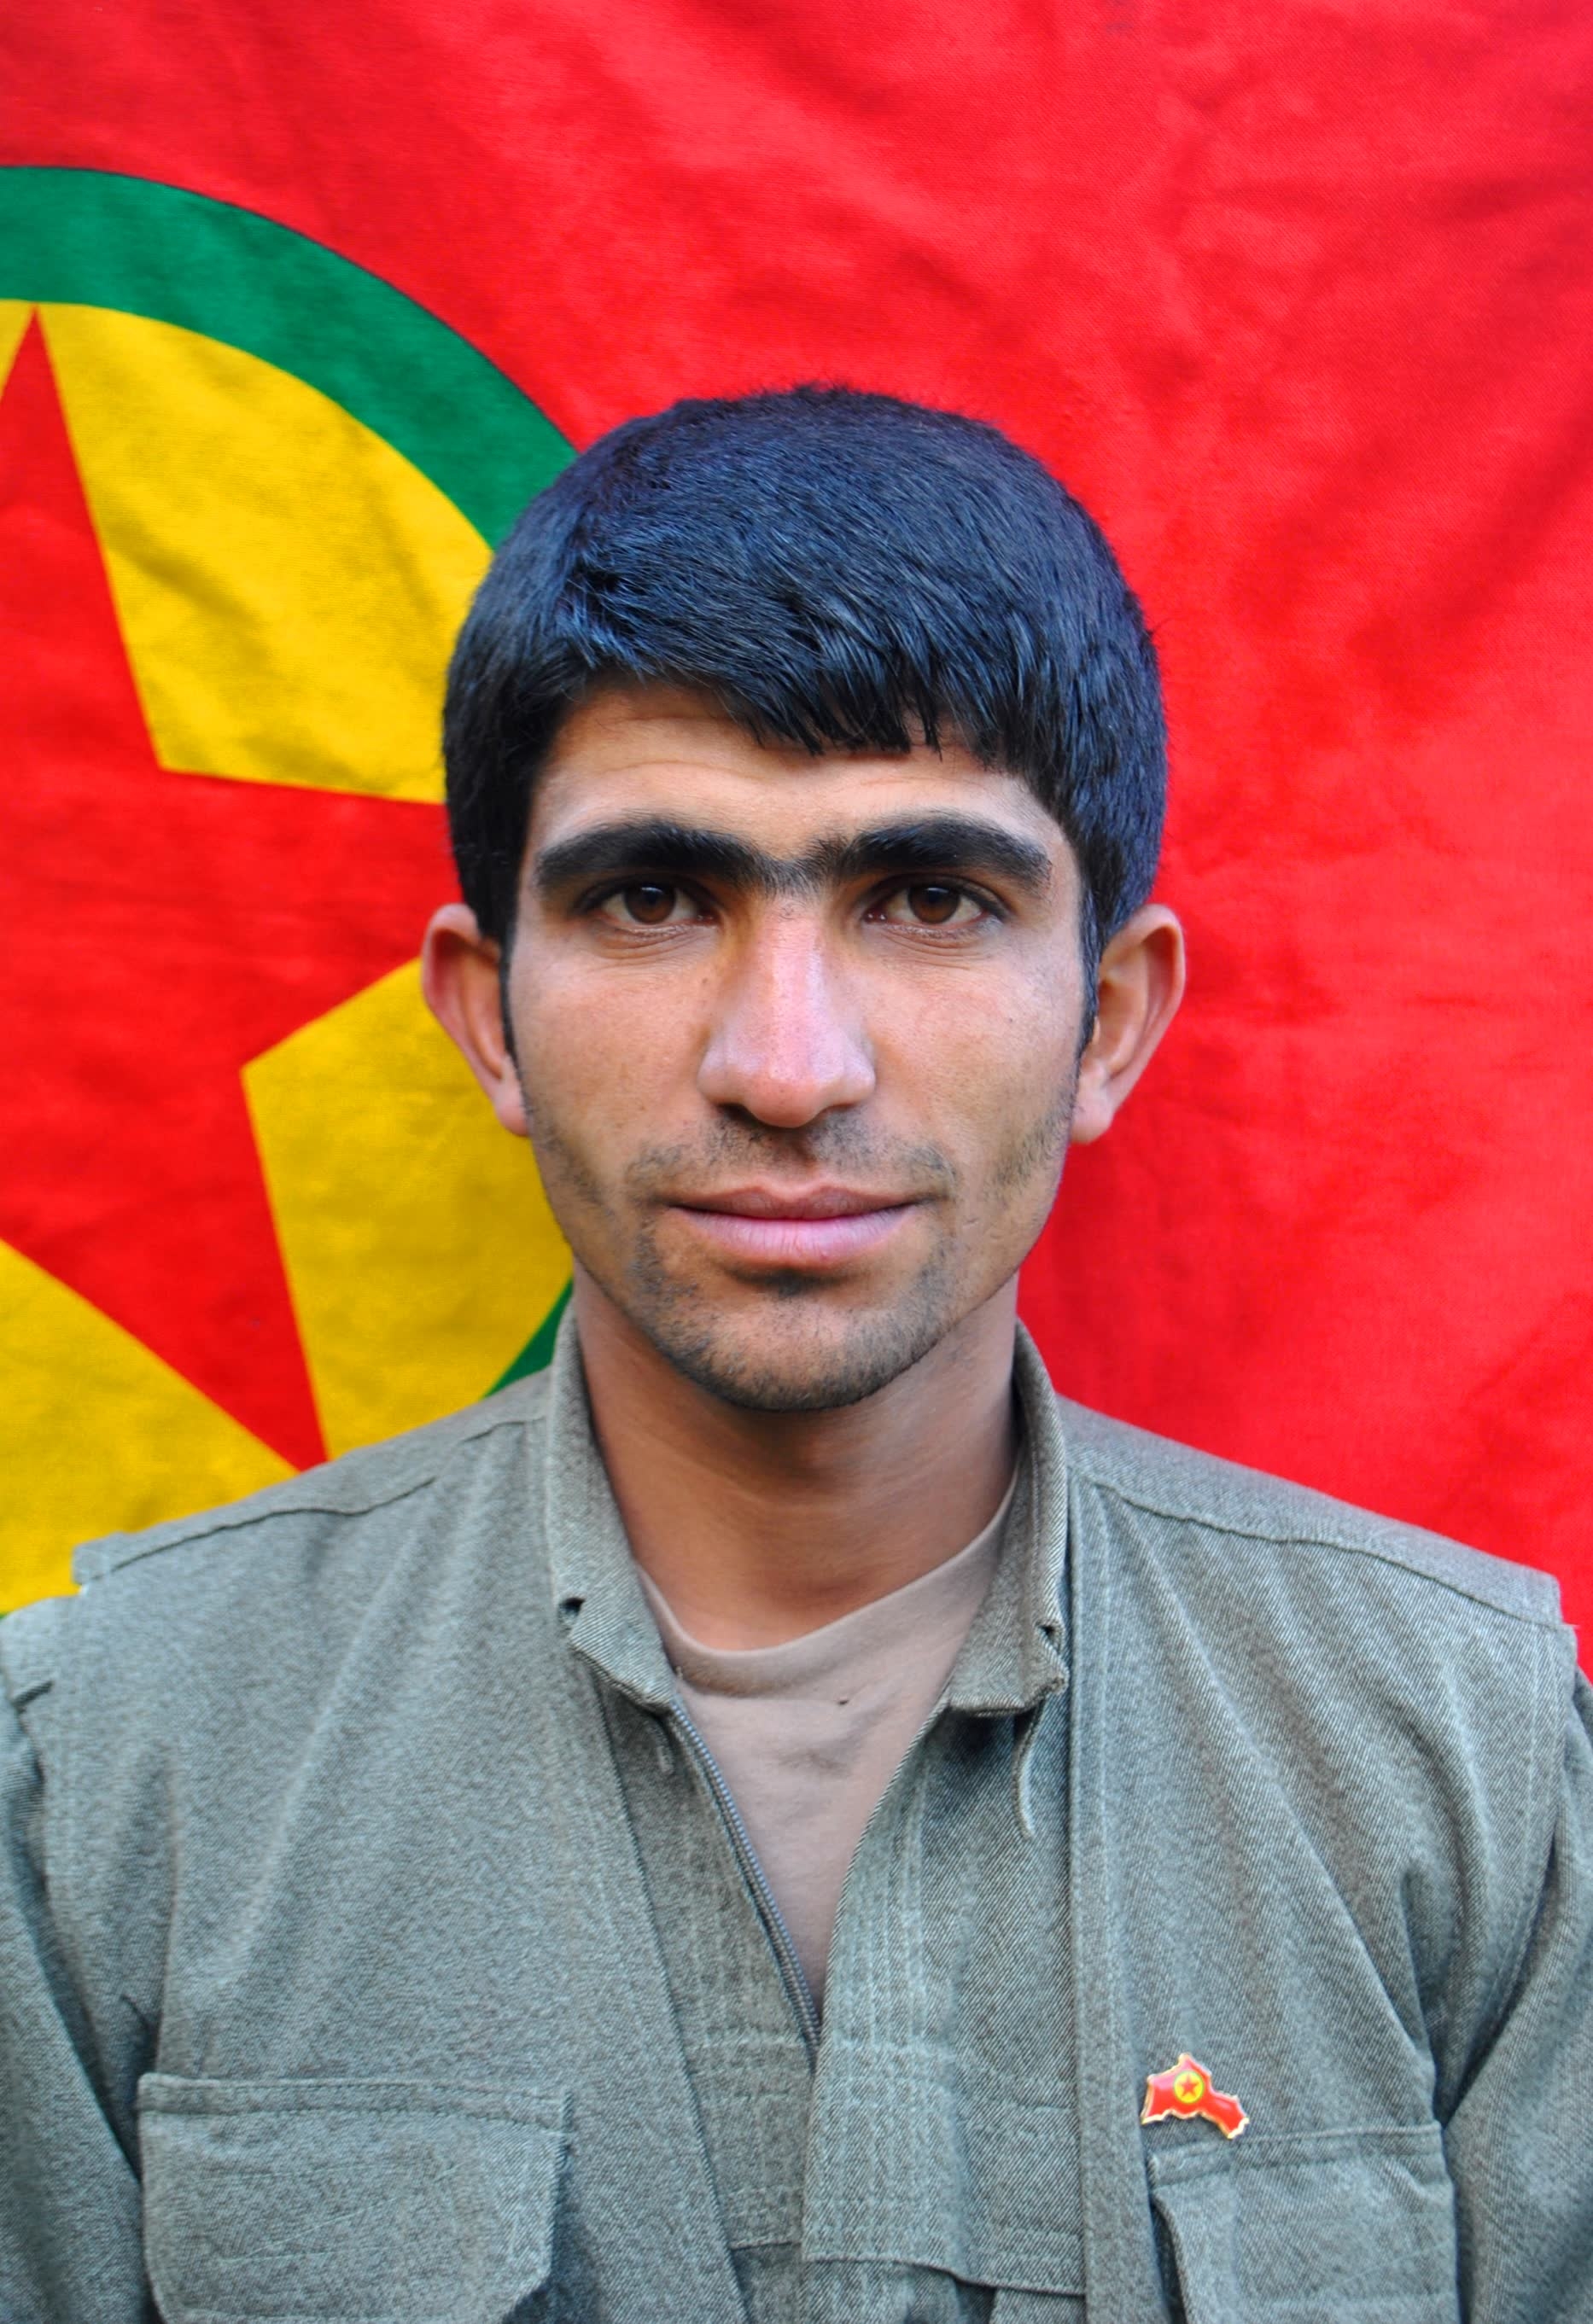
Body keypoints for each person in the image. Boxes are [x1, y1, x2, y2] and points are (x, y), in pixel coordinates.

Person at [2, 387, 1588, 2324]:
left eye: (927, 900)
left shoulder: (1467, 1769)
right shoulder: (105, 1782)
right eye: (653, 898)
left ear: (1107, 1020)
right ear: (490, 1020)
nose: (784, 1065)